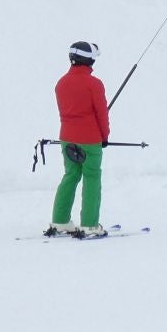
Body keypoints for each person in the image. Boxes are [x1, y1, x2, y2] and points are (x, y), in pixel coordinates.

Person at [49, 40, 110, 238]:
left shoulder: (61, 83)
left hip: (67, 138)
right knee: (92, 177)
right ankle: (89, 225)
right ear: (89, 60)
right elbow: (101, 114)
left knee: (71, 175)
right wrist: (104, 136)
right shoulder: (94, 84)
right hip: (90, 140)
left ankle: (60, 221)